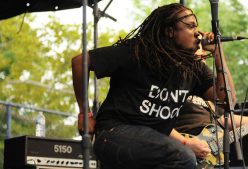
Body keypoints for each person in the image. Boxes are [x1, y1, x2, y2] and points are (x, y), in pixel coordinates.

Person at [72, 3, 235, 169]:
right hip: (113, 133)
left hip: (149, 141)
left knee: (187, 158)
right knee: (183, 157)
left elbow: (227, 102)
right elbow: (80, 62)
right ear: (170, 31)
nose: (198, 33)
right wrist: (85, 112)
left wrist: (218, 53)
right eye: (191, 26)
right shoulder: (137, 52)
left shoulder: (193, 68)